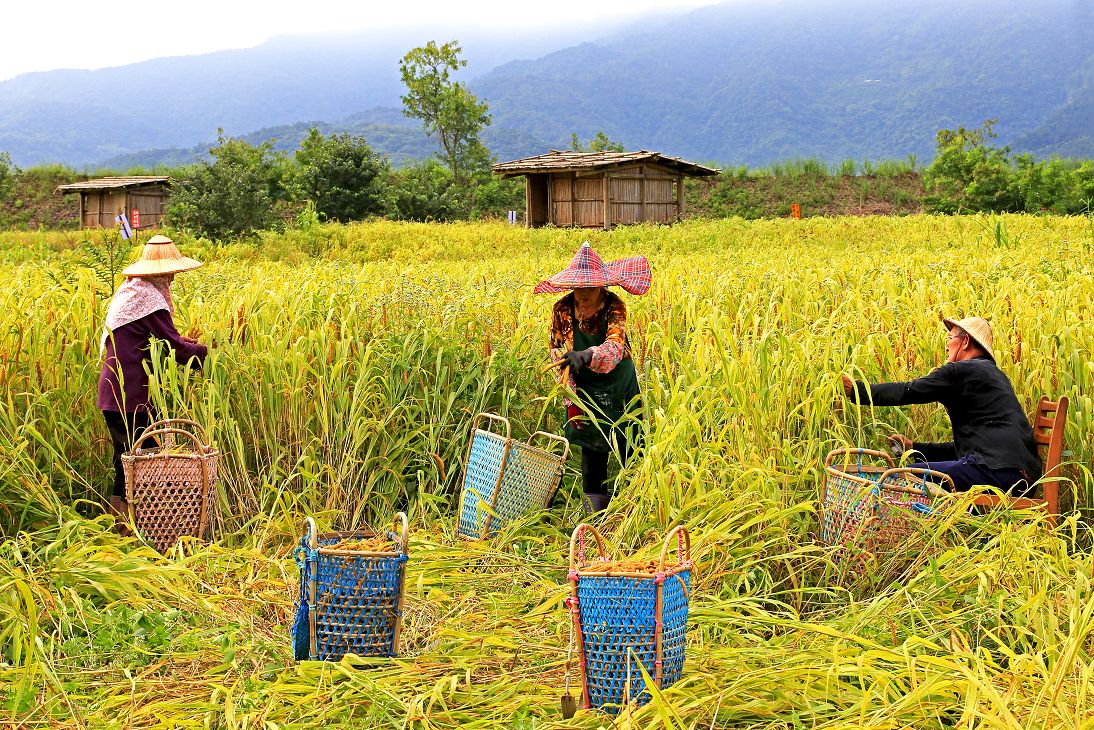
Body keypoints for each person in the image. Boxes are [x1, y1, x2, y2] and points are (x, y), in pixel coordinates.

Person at [841, 315, 1041, 494]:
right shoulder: (997, 377)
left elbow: (908, 390)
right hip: (1023, 479)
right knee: (925, 472)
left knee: (903, 478)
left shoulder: (960, 371)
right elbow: (973, 446)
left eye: (951, 338)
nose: (947, 345)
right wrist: (915, 448)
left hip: (997, 474)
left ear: (965, 342)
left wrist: (858, 391)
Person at [98, 234, 208, 522]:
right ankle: (145, 523)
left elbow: (152, 337)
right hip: (130, 393)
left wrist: (184, 341)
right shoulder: (149, 299)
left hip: (113, 391)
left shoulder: (131, 293)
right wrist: (207, 353)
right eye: (170, 273)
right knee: (146, 457)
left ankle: (120, 525)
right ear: (159, 272)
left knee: (124, 459)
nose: (171, 279)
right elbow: (176, 348)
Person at [536, 242, 650, 512]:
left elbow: (614, 347)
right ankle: (596, 516)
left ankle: (633, 506)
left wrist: (586, 355)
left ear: (602, 286)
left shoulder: (614, 307)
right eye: (579, 288)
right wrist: (570, 396)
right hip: (584, 387)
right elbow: (556, 351)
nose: (584, 294)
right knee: (592, 449)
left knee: (629, 445)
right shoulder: (562, 310)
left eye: (590, 288)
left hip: (617, 385)